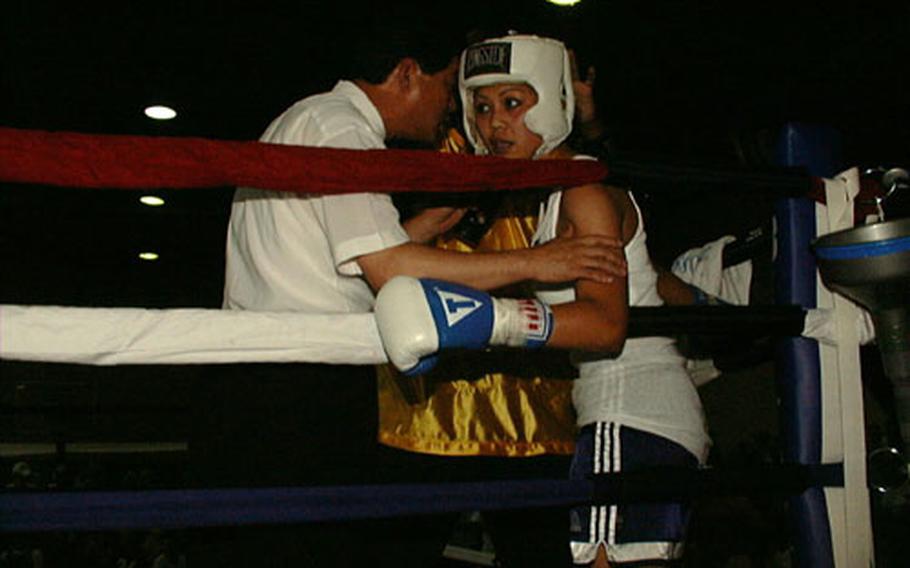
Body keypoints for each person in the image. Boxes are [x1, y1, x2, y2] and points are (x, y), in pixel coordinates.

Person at [206, 17, 626, 567]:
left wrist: (429, 225)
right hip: (333, 388)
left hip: (510, 414)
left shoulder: (313, 119)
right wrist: (535, 260)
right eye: (465, 95)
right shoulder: (341, 131)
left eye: (512, 103)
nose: (459, 107)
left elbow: (358, 255)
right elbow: (388, 266)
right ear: (408, 74)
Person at [375, 33, 711, 567]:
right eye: (481, 107)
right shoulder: (557, 190)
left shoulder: (581, 190)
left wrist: (493, 322)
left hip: (626, 418)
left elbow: (605, 325)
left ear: (553, 103)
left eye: (513, 103)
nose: (494, 123)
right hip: (632, 418)